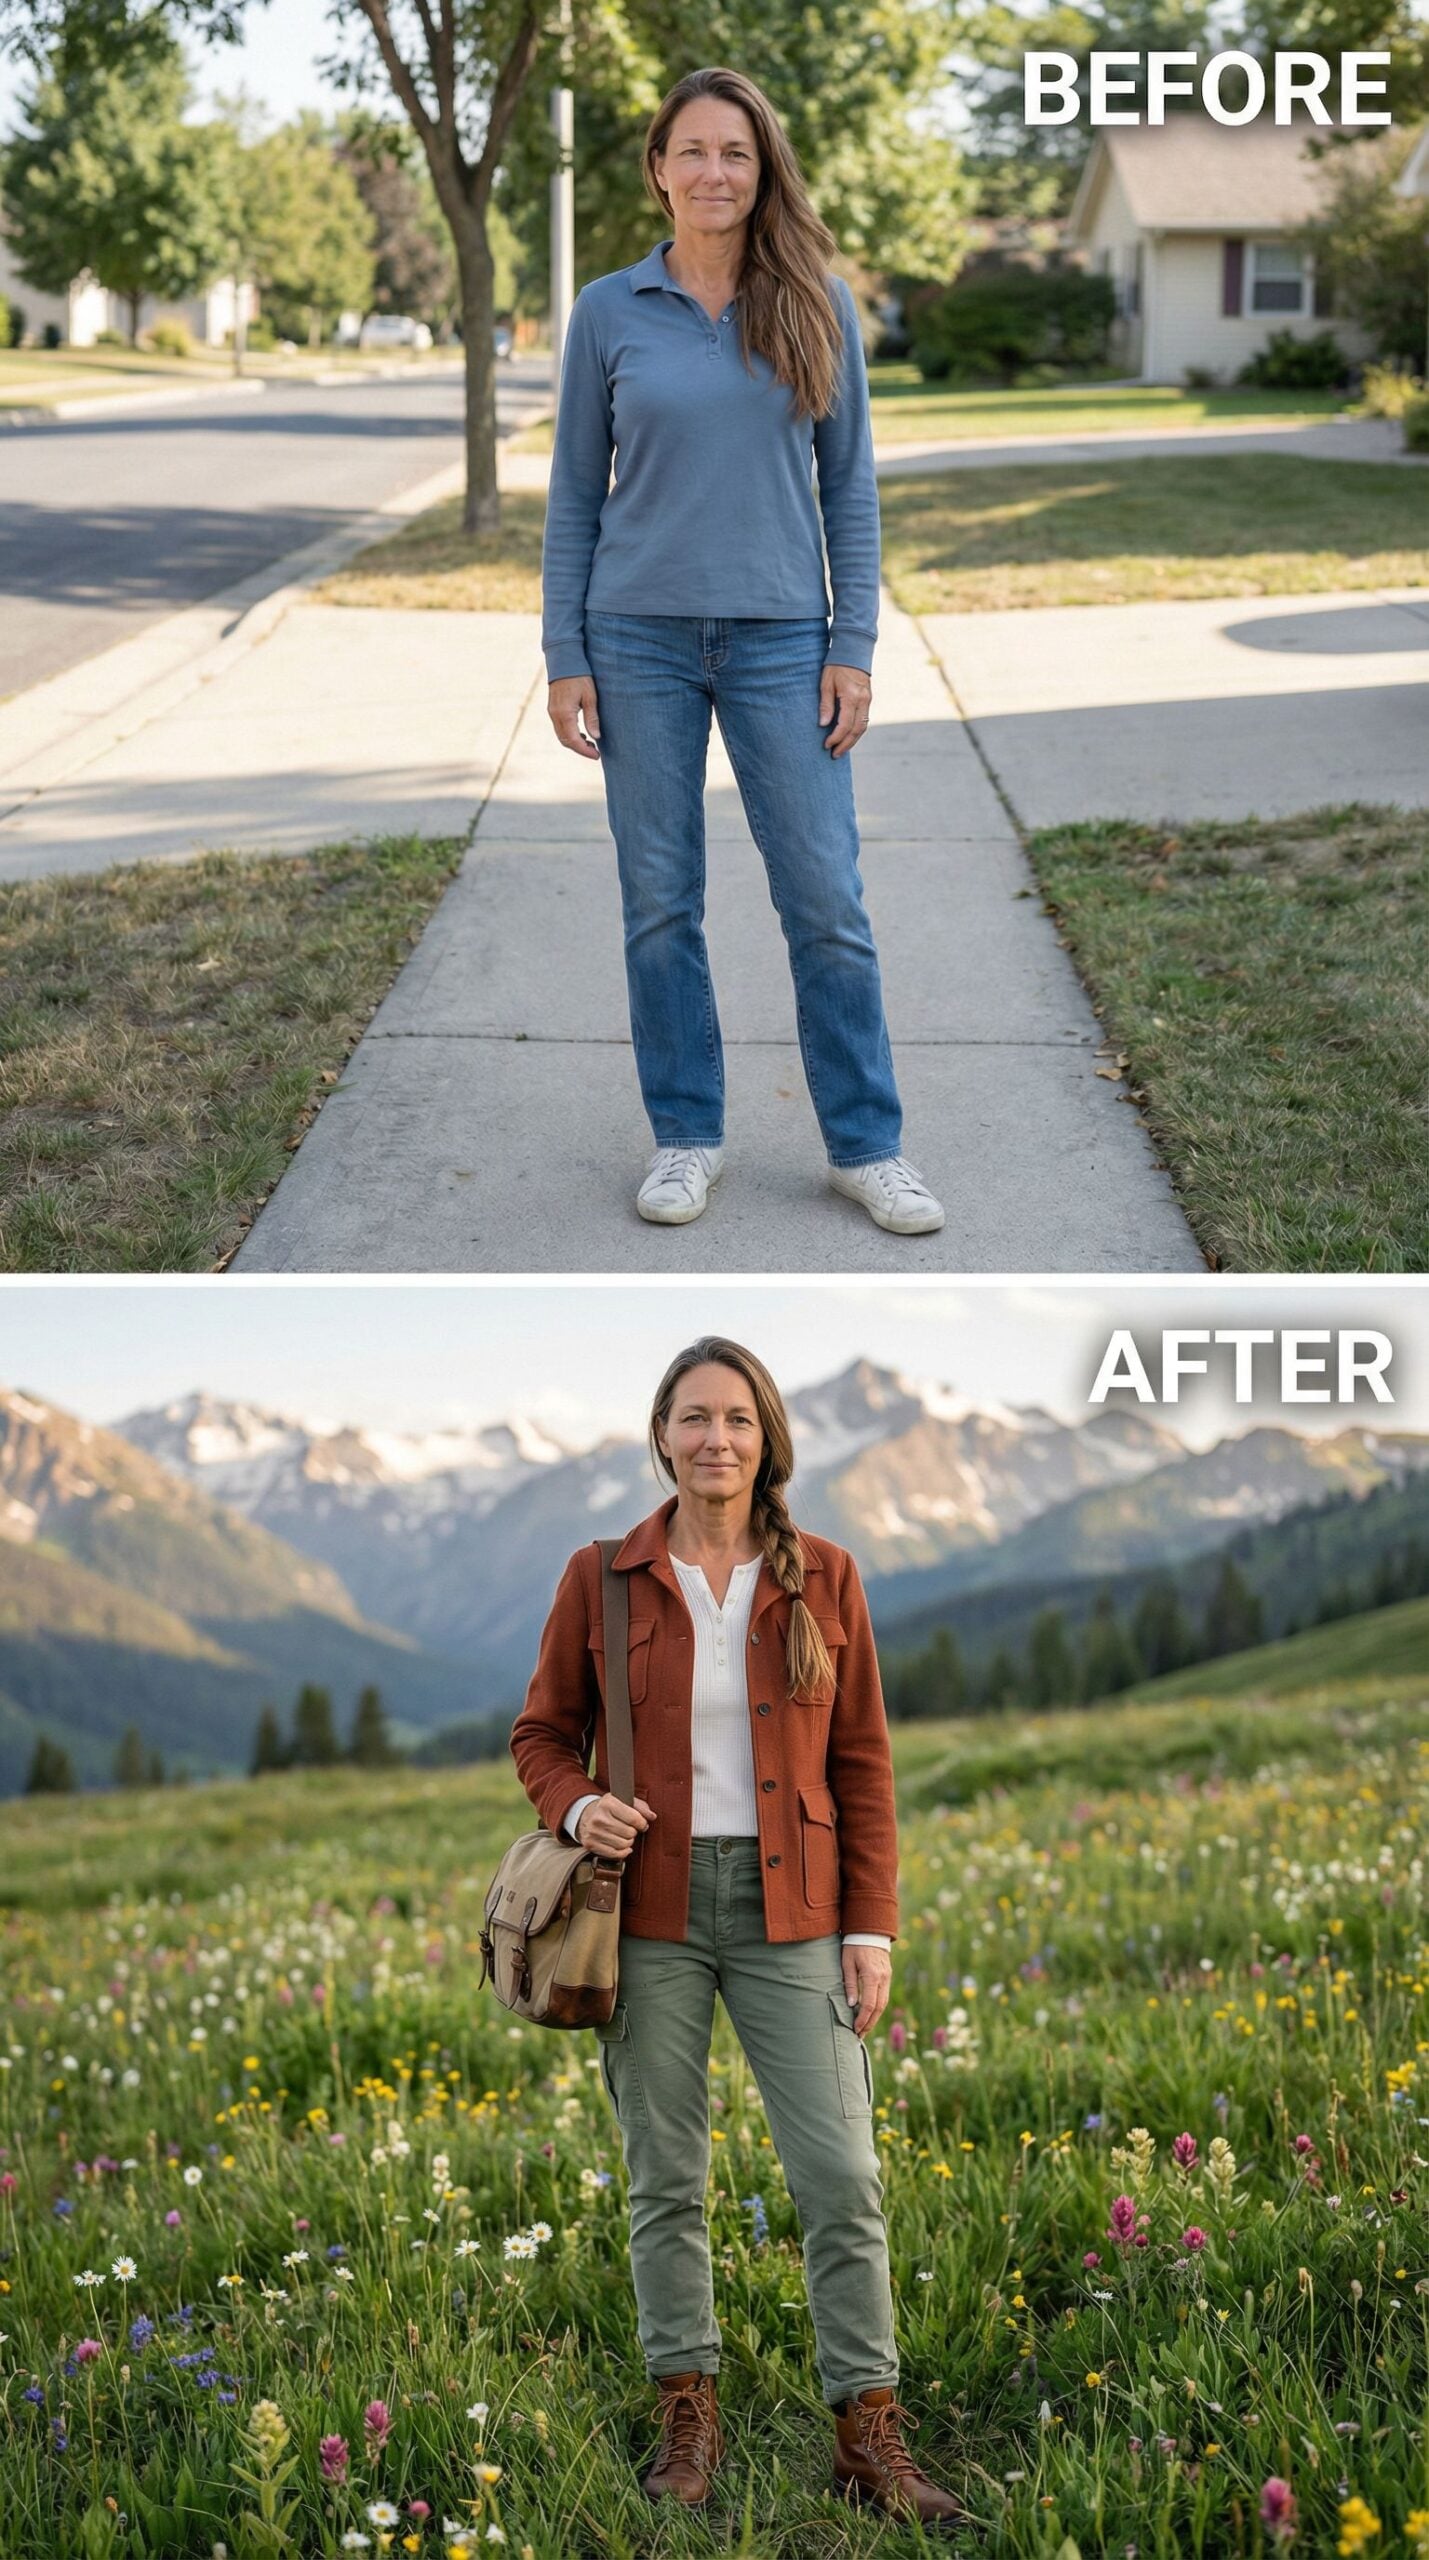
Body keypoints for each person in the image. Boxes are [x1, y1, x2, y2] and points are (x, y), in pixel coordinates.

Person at [509, 1335, 968, 2526]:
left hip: (796, 1912)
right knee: (665, 2179)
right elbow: (541, 1734)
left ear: (767, 1441)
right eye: (694, 1416)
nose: (716, 1437)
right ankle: (687, 2418)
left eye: (738, 1419)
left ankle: (868, 2435)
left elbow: (861, 1762)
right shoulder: (601, 1576)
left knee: (842, 2176)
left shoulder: (825, 1573)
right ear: (660, 1433)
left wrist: (871, 1927)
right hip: (644, 1914)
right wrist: (576, 1802)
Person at [541, 66, 945, 1240]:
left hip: (781, 640)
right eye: (693, 152)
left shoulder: (815, 299)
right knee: (660, 901)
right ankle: (685, 1136)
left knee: (826, 899)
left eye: (737, 154)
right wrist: (566, 651)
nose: (714, 173)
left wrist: (852, 642)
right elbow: (575, 496)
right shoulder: (610, 309)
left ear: (762, 171)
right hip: (636, 641)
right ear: (658, 169)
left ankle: (866, 1145)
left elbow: (849, 487)